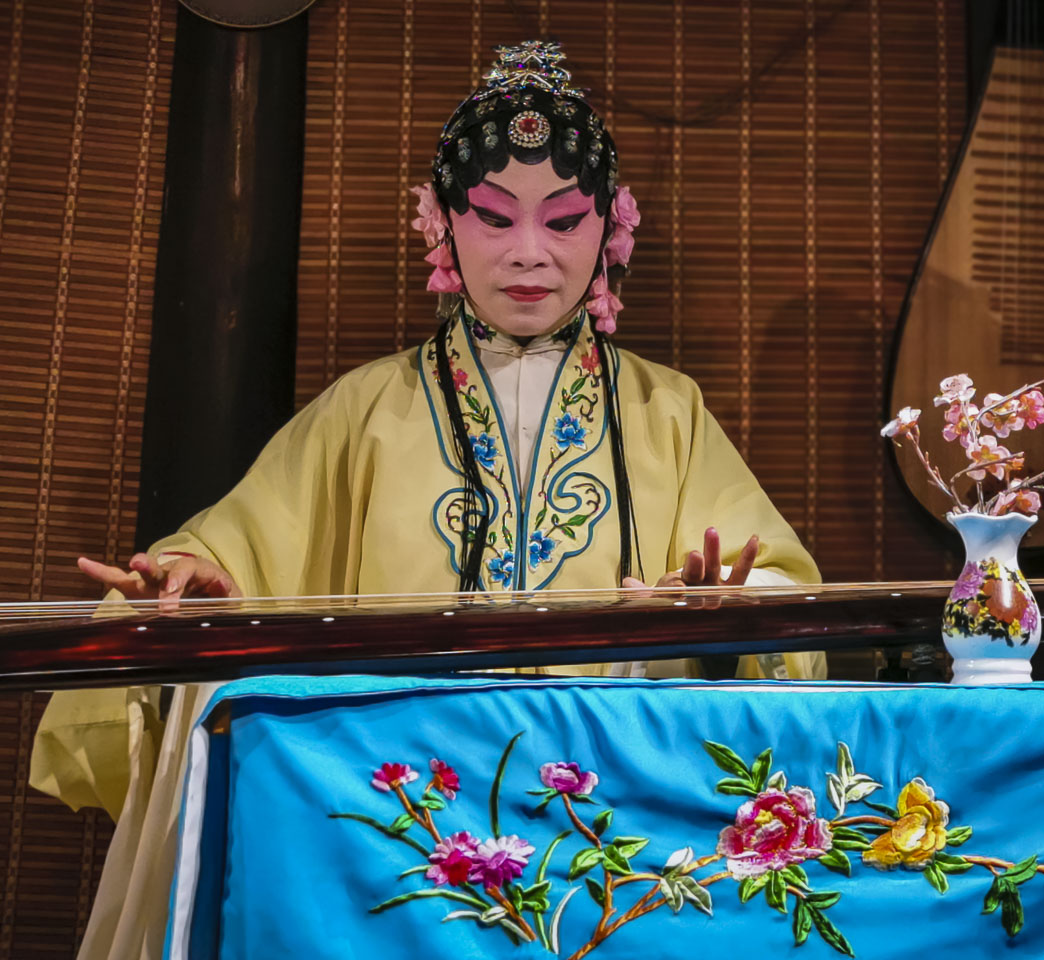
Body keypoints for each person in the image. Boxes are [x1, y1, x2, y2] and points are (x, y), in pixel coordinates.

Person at [29, 41, 823, 959]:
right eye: (493, 218)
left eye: (564, 222)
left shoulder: (668, 410)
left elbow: (784, 598)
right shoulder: (365, 410)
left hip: (612, 824)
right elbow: (231, 555)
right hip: (398, 823)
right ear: (442, 224)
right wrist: (198, 585)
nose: (529, 254)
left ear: (612, 230)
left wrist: (724, 622)